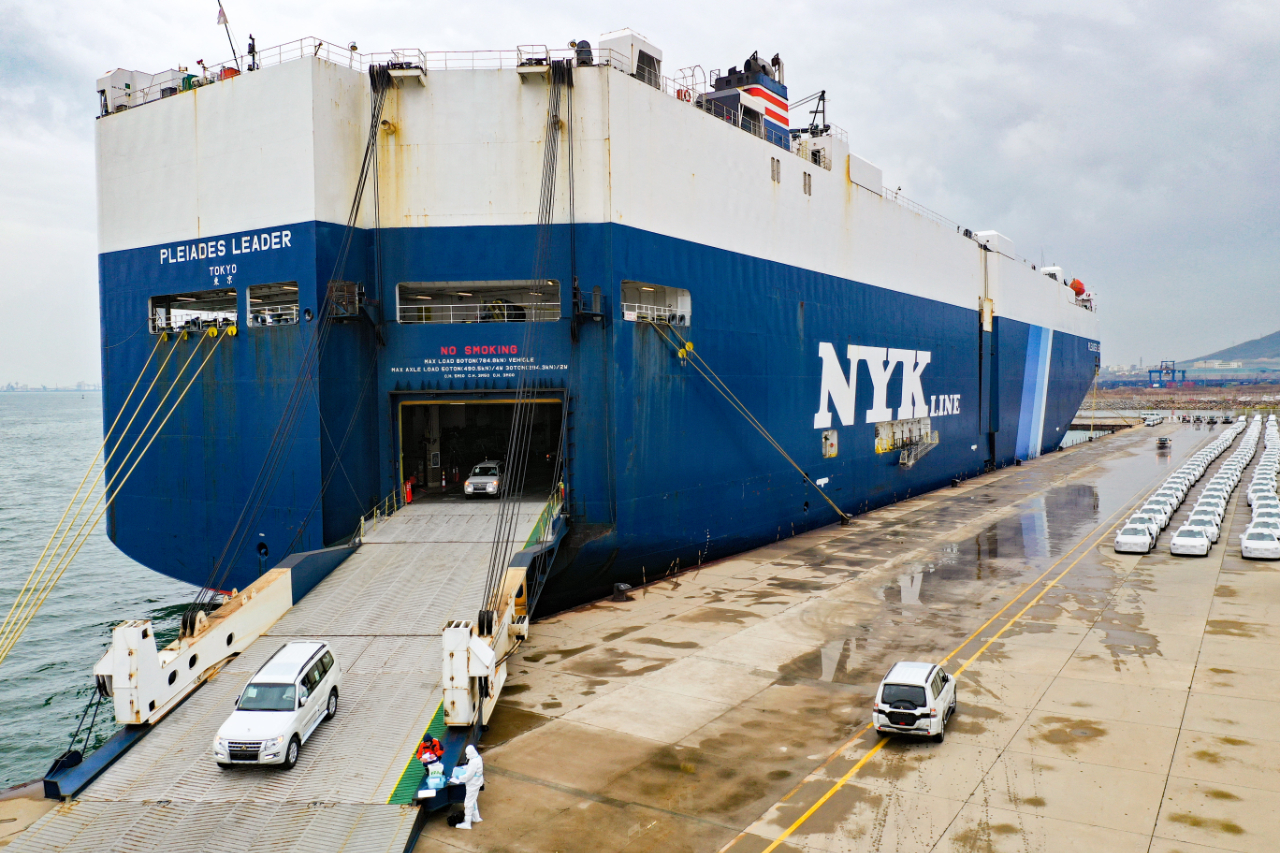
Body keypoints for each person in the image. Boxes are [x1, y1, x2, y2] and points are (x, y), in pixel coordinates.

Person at [455, 744, 484, 829]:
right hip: (477, 783)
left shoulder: (473, 762)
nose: (467, 755)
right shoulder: (478, 758)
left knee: (468, 803)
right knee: (473, 800)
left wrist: (459, 778)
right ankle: (476, 817)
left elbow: (469, 775)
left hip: (473, 784)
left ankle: (467, 823)